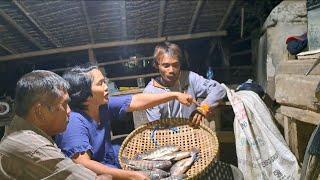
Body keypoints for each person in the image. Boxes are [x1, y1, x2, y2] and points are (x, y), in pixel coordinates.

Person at [55, 64, 193, 180]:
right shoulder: (73, 122)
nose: (106, 86)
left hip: (108, 157)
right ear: (84, 93)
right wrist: (130, 175)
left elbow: (137, 100)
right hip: (94, 174)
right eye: (100, 83)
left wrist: (174, 95)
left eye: (105, 81)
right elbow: (82, 164)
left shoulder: (101, 105)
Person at [0, 70, 111, 180]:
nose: (69, 111)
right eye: (65, 104)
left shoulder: (18, 130)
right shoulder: (33, 147)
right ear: (40, 111)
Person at [144, 41, 226, 125]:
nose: (171, 70)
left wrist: (203, 108)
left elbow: (219, 89)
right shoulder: (150, 92)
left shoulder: (190, 78)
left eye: (175, 65)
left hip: (190, 133)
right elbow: (157, 127)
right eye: (166, 66)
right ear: (157, 65)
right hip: (167, 136)